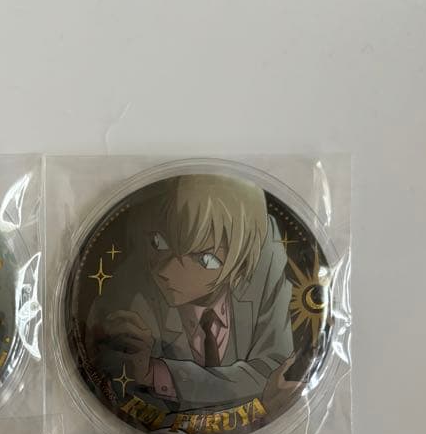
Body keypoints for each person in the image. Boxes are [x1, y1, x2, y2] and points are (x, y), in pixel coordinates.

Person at [90, 175, 300, 416]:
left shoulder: (263, 250)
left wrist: (156, 373)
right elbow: (114, 375)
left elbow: (274, 371)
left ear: (241, 263)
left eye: (205, 260)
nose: (166, 271)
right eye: (160, 243)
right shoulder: (134, 286)